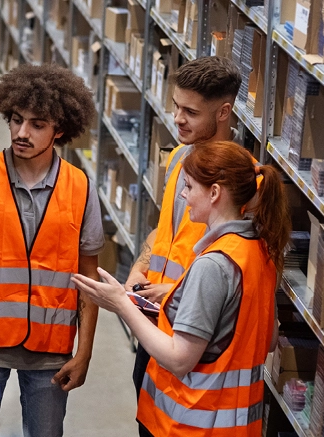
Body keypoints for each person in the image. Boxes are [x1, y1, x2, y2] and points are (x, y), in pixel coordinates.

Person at [72, 141, 289, 437]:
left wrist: (121, 303)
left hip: (191, 426)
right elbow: (269, 338)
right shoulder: (259, 250)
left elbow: (179, 358)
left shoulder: (213, 265)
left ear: (214, 193)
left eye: (188, 186)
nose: (183, 195)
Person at [0, 64, 103, 437]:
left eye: (37, 124)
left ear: (59, 130)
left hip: (50, 349)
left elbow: (89, 277)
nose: (22, 132)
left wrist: (84, 353)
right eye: (16, 120)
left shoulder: (80, 188)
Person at [124, 57, 243, 420]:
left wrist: (175, 291)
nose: (177, 118)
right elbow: (164, 229)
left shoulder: (242, 183)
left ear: (223, 112)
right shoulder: (178, 159)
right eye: (177, 106)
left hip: (192, 333)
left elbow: (233, 263)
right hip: (153, 318)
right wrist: (137, 271)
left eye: (190, 111)